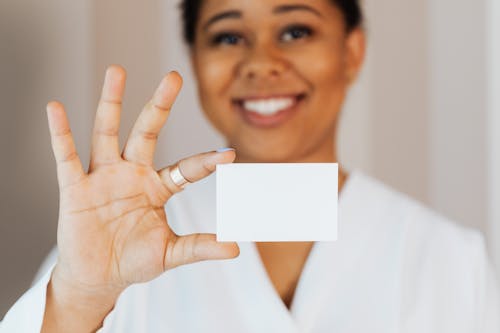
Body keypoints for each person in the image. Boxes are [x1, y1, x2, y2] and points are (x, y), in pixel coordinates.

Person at [1, 0, 499, 332]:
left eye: (296, 30)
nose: (261, 62)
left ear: (352, 51)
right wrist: (79, 299)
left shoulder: (451, 259)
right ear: (194, 60)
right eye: (228, 37)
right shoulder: (111, 251)